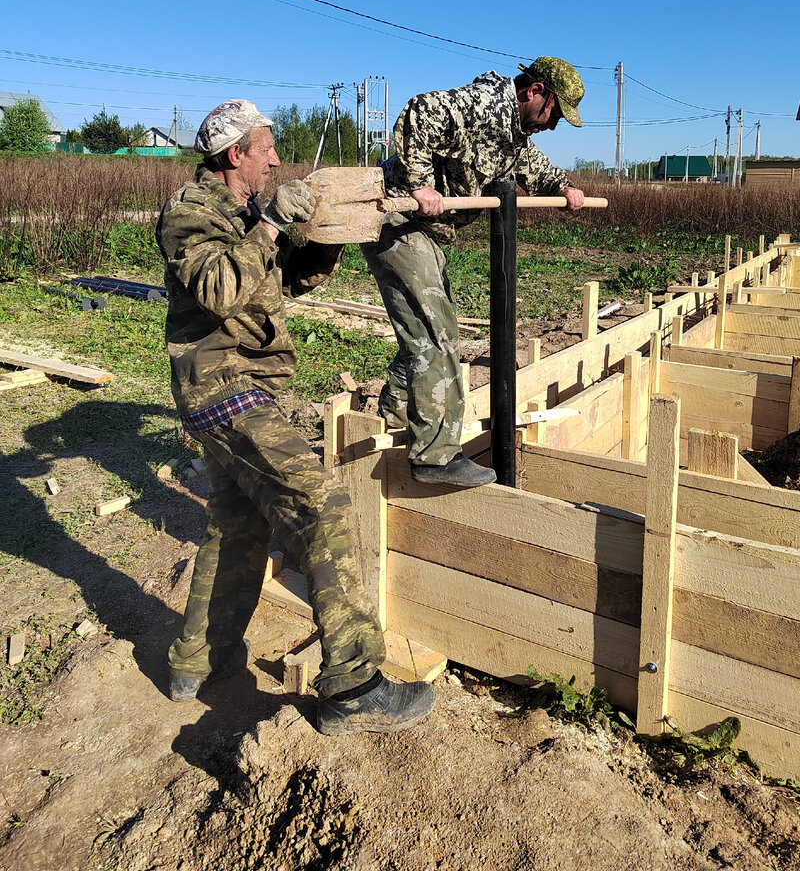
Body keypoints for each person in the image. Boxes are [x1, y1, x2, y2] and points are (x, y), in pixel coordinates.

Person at [156, 99, 434, 735]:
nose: (276, 159)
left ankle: (198, 662)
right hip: (222, 387)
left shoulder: (244, 212)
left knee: (235, 528)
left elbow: (277, 285)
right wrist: (272, 226)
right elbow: (222, 290)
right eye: (266, 148)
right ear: (236, 156)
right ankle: (354, 683)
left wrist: (319, 241)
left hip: (241, 386)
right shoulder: (190, 213)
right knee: (321, 506)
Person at [361, 57, 586, 488]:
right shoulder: (485, 103)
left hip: (426, 234)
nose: (553, 124)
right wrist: (418, 183)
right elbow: (420, 110)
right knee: (437, 332)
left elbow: (533, 168)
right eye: (555, 113)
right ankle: (435, 456)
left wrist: (563, 187)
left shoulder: (515, 136)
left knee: (423, 329)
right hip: (399, 220)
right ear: (535, 91)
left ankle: (389, 419)